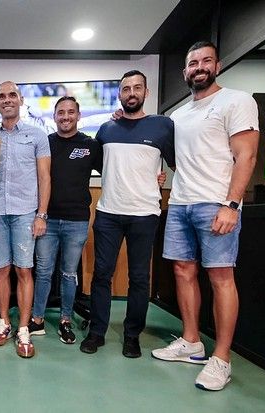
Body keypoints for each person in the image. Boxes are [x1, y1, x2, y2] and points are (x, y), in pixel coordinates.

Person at [152, 41, 259, 391]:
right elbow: (181, 159)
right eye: (192, 62)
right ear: (185, 71)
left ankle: (222, 358)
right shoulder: (179, 115)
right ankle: (191, 342)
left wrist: (231, 205)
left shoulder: (237, 101)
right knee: (183, 271)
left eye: (205, 61)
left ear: (218, 64)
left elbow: (246, 157)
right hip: (181, 202)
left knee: (220, 278)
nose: (199, 67)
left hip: (216, 204)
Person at [80, 70, 175, 358]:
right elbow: (100, 164)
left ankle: (132, 335)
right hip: (108, 212)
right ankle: (97, 331)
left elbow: (176, 163)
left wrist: (158, 178)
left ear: (145, 92)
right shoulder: (107, 129)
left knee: (139, 279)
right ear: (119, 94)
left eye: (137, 88)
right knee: (101, 275)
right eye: (125, 88)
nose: (131, 92)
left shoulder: (163, 126)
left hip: (145, 214)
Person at [29, 97, 102, 344]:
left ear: (79, 116)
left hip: (77, 221)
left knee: (69, 273)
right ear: (54, 117)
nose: (66, 117)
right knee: (43, 272)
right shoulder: (45, 144)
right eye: (61, 112)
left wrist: (154, 177)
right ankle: (36, 319)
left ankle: (65, 320)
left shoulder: (90, 145)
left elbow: (115, 170)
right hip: (46, 221)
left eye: (71, 112)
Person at [0, 81, 51, 358]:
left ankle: (23, 329)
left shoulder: (37, 135)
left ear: (20, 100)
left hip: (26, 213)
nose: (7, 100)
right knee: (1, 270)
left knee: (24, 270)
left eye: (12, 95)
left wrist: (41, 214)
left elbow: (45, 178)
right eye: (1, 96)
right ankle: (4, 323)